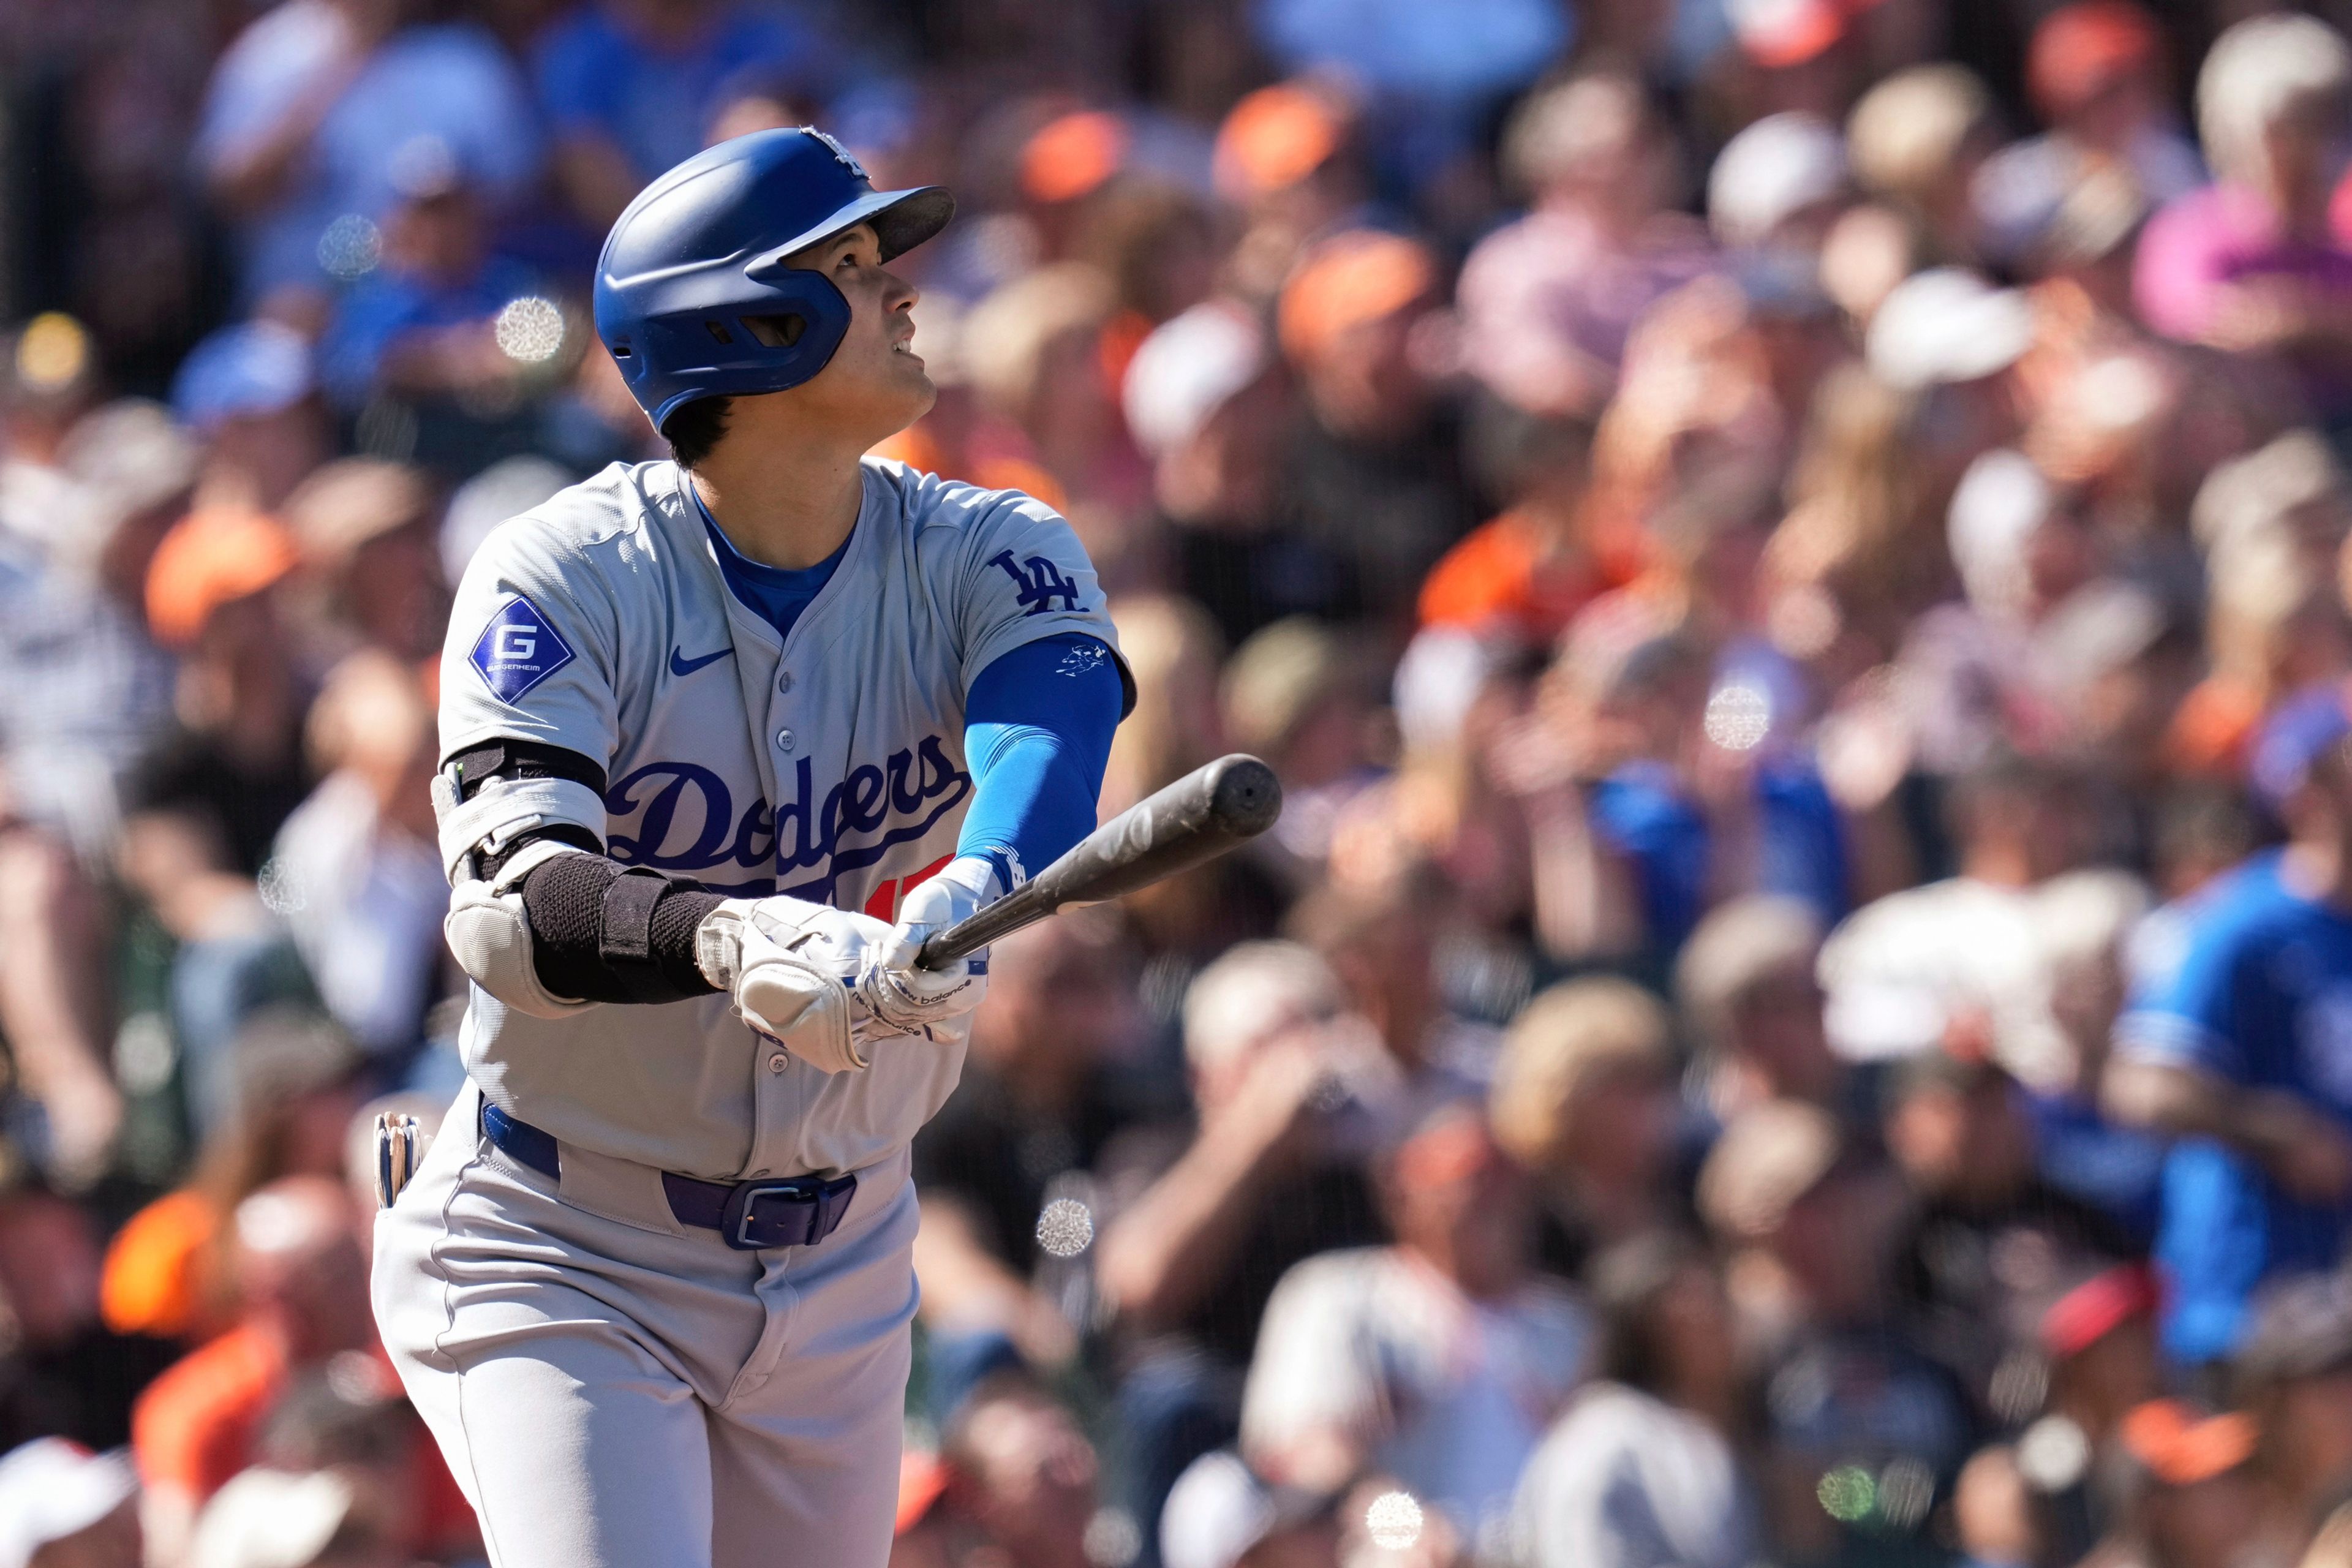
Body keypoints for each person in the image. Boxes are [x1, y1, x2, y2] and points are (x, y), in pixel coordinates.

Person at [371, 127, 1131, 1568]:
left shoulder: (989, 544)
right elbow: (512, 911)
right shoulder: (564, 570)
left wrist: (977, 881)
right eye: (852, 265)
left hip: (847, 1253)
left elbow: (1057, 717)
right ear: (749, 326)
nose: (903, 289)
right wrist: (725, 936)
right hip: (566, 1235)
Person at [2106, 685, 2352, 1366]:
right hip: (2248, 1305)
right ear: (2310, 794)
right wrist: (2277, 1133)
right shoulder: (2241, 926)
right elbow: (2142, 1084)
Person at [1238, 1103, 1587, 1548]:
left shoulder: (1567, 1324)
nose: (1497, 1194)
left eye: (1508, 1175)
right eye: (1472, 1174)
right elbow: (1308, 1458)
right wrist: (1404, 1528)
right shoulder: (1339, 1297)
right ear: (1402, 1191)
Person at [1511, 1233, 1755, 1568]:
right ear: (1657, 1323)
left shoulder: (1696, 1433)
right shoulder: (1606, 1436)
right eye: (1707, 1300)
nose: (1726, 1318)